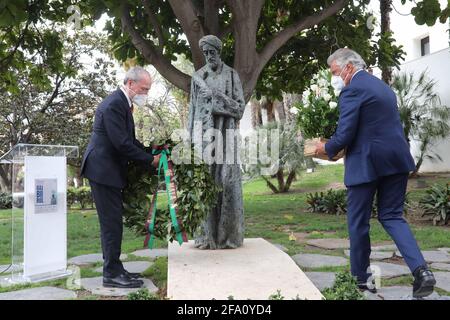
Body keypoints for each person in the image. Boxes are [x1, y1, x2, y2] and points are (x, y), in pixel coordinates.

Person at [315, 48, 436, 298]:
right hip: (396, 161)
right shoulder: (383, 87)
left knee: (358, 222)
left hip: (366, 165)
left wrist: (324, 148)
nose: (334, 78)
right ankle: (422, 271)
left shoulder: (352, 89)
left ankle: (361, 280)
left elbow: (346, 133)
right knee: (392, 217)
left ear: (348, 67)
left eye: (334, 72)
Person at [81, 67, 160, 288]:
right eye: (144, 89)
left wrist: (149, 152)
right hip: (102, 170)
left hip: (107, 170)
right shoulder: (115, 104)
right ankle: (111, 275)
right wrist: (149, 161)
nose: (146, 93)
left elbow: (129, 140)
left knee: (114, 222)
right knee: (111, 224)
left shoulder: (123, 103)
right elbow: (121, 144)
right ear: (130, 84)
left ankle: (115, 268)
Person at [187, 35, 246, 249]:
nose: (209, 56)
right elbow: (192, 110)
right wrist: (190, 142)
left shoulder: (231, 75)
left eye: (212, 52)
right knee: (204, 184)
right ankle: (205, 237)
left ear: (219, 51)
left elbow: (239, 108)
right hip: (203, 139)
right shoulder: (198, 77)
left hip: (226, 137)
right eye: (205, 53)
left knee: (227, 182)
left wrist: (215, 97)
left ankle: (228, 237)